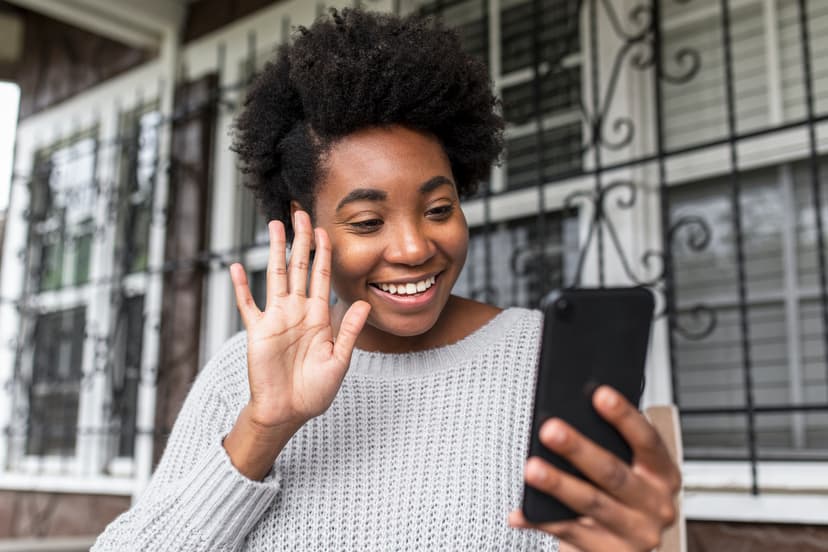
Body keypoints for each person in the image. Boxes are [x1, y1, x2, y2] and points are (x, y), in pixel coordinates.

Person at [93, 8, 680, 552]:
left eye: (439, 209)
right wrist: (265, 428)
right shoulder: (240, 377)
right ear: (306, 229)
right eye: (369, 221)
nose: (413, 247)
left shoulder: (543, 358)